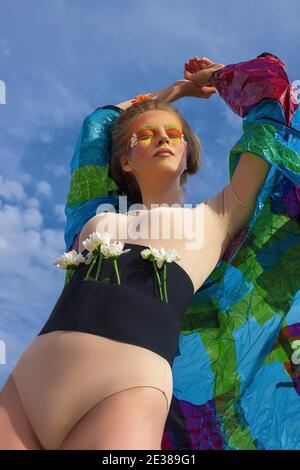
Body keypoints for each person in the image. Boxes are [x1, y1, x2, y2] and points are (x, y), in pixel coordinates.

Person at [0, 53, 299, 450]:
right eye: (145, 134)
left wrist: (220, 76)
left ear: (188, 155)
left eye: (172, 134)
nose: (160, 137)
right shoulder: (93, 216)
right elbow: (99, 124)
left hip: (125, 392)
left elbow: (270, 107)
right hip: (27, 387)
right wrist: (179, 92)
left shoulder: (218, 216)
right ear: (125, 158)